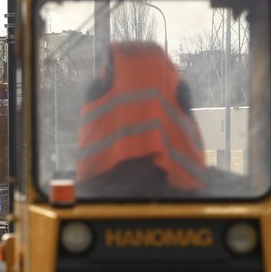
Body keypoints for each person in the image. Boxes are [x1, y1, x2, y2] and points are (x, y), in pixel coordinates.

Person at [76, 41, 205, 198]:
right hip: (175, 191)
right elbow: (193, 147)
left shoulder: (96, 90)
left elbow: (86, 152)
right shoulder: (178, 90)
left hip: (100, 190)